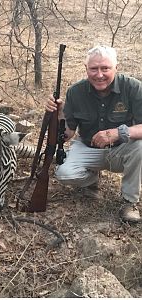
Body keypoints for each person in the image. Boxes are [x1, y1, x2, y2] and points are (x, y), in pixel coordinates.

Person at [46, 45, 142, 223]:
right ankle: (92, 180)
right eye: (94, 69)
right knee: (64, 174)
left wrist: (118, 133)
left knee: (140, 146)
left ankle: (129, 202)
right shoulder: (75, 92)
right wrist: (58, 114)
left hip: (122, 150)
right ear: (86, 69)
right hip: (88, 148)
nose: (99, 75)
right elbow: (67, 134)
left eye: (105, 68)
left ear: (116, 68)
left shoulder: (133, 88)